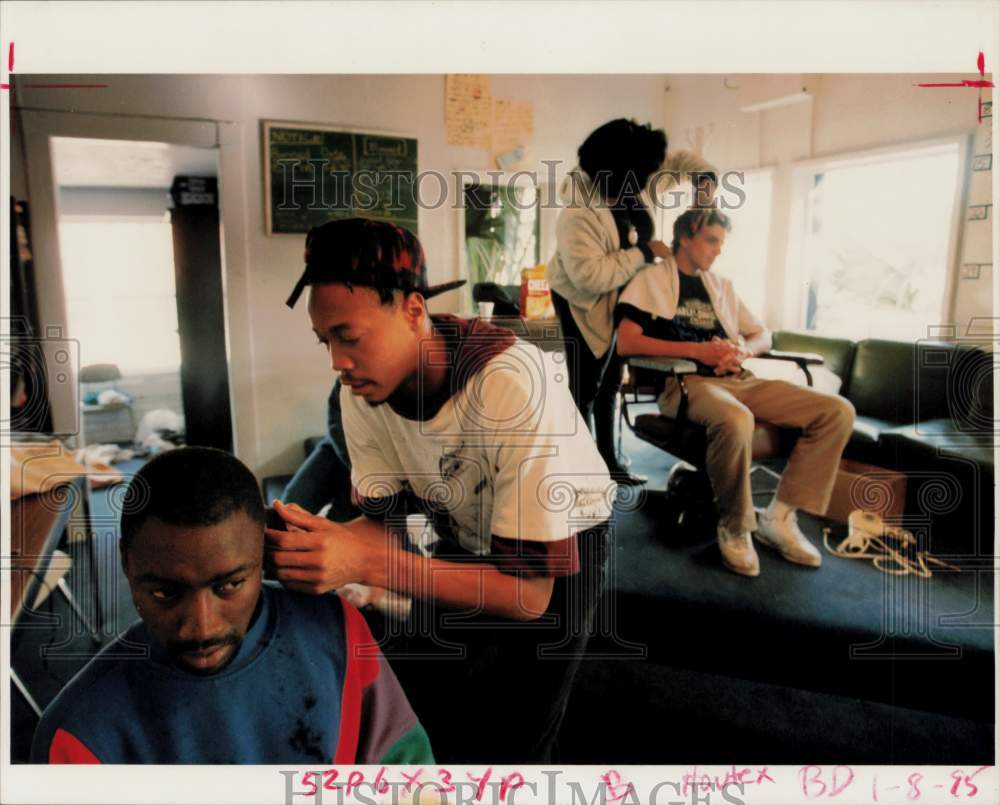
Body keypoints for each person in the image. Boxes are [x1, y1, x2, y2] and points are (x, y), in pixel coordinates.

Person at [277, 217, 614, 763]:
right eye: (325, 341)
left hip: (560, 551)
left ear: (413, 310)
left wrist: (366, 564)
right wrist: (323, 546)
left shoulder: (510, 382)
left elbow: (528, 597)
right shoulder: (358, 395)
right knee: (429, 703)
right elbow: (381, 525)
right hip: (465, 529)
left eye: (348, 336)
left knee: (520, 737)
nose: (337, 362)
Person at [31, 446, 433, 764]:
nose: (201, 627)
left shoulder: (337, 633)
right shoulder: (78, 735)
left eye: (230, 585)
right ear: (126, 564)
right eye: (165, 593)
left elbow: (406, 770)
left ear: (264, 556)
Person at [615, 208, 855, 577]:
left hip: (739, 379)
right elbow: (626, 343)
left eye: (721, 244)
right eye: (712, 240)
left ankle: (779, 517)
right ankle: (735, 525)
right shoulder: (651, 280)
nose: (717, 251)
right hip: (684, 383)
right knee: (736, 418)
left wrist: (743, 350)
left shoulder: (721, 286)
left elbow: (763, 334)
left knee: (836, 411)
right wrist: (699, 351)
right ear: (685, 237)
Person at [546, 117, 718, 486]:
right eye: (646, 171)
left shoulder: (632, 183)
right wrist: (642, 252)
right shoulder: (577, 214)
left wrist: (705, 179)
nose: (653, 177)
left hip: (621, 293)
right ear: (620, 170)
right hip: (581, 300)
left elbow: (678, 163)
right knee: (585, 387)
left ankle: (608, 463)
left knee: (611, 383)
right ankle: (577, 471)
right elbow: (589, 277)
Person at [281, 379, 359, 522]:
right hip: (336, 448)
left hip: (375, 463)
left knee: (341, 520)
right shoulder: (346, 376)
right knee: (290, 505)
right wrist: (357, 468)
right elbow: (336, 420)